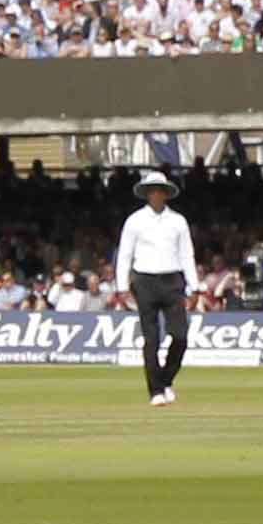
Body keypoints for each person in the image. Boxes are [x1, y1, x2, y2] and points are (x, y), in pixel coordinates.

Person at [113, 167, 195, 406]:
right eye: (152, 191)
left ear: (166, 194)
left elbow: (186, 254)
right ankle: (156, 391)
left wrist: (195, 285)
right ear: (147, 194)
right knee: (152, 338)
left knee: (180, 336)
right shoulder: (135, 221)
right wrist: (121, 286)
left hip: (172, 280)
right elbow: (125, 254)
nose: (156, 195)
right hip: (144, 281)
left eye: (160, 191)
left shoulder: (178, 221)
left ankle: (165, 379)